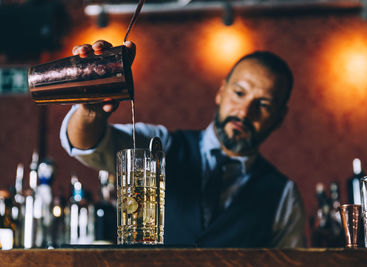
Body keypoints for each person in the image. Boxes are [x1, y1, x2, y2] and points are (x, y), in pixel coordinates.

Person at [60, 40, 306, 248]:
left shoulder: (284, 195)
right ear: (221, 92)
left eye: (263, 105)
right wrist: (90, 113)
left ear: (280, 117)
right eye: (239, 93)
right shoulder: (160, 146)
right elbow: (90, 146)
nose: (244, 112)